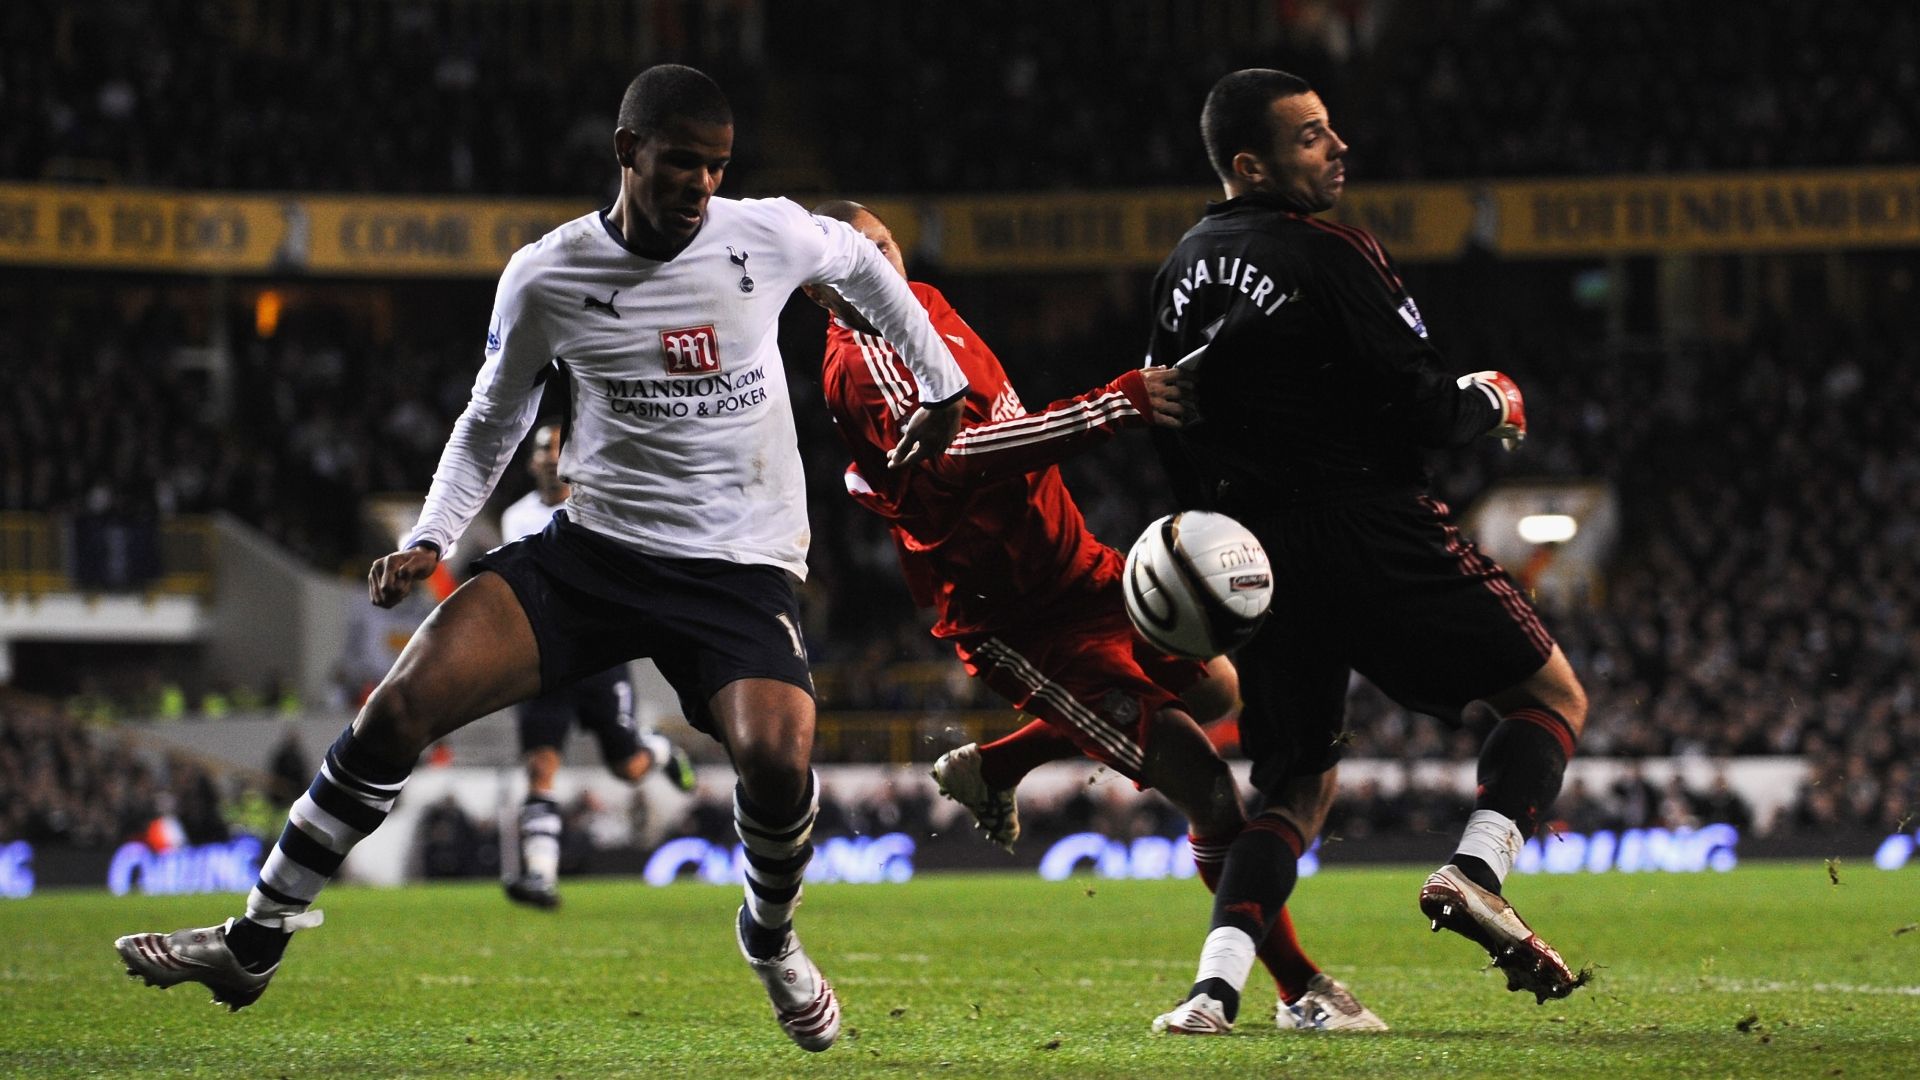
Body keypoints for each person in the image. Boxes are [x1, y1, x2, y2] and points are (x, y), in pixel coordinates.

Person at [114, 64, 970, 1055]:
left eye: (716, 168)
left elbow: (863, 267)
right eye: (682, 164)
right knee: (397, 707)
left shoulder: (764, 233)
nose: (700, 184)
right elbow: (492, 420)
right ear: (626, 152)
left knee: (778, 762)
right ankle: (253, 941)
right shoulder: (547, 275)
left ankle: (769, 937)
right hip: (594, 553)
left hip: (739, 566)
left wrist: (938, 383)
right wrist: (430, 538)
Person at [806, 201, 1383, 1033]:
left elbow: (984, 425)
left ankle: (995, 768)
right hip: (1017, 618)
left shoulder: (924, 301)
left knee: (1218, 689)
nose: (879, 264)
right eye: (855, 258)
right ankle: (1300, 991)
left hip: (1075, 563)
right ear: (823, 289)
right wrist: (1113, 406)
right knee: (1210, 792)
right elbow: (959, 459)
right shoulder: (862, 361)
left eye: (884, 244)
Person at [1144, 69, 1590, 1034]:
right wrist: (1494, 401)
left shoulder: (1182, 265)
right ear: (1252, 164)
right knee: (1551, 697)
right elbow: (1425, 406)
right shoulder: (1331, 251)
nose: (1337, 146)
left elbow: (1167, 413)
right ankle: (1476, 871)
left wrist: (1210, 557)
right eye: (1311, 137)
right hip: (1369, 526)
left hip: (1254, 557)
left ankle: (1214, 991)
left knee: (1295, 789)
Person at [496, 421, 697, 910]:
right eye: (544, 449)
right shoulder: (515, 518)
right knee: (540, 767)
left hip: (600, 657)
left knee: (628, 767)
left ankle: (658, 751)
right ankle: (541, 876)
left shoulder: (599, 508)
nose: (551, 457)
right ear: (532, 462)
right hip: (544, 660)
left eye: (559, 449)